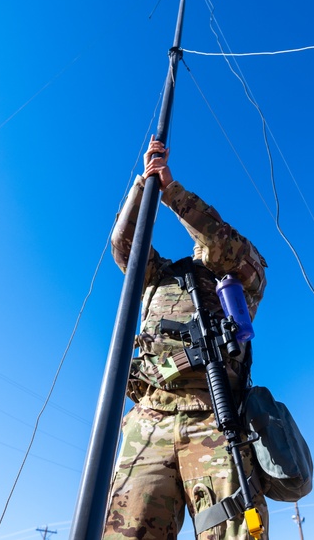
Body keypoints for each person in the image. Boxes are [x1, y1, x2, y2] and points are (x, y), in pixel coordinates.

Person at [103, 137, 269, 540]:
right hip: (150, 418)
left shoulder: (239, 277)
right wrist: (143, 184)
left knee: (236, 531)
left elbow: (220, 243)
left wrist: (171, 191)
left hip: (215, 417)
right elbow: (125, 246)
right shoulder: (157, 277)